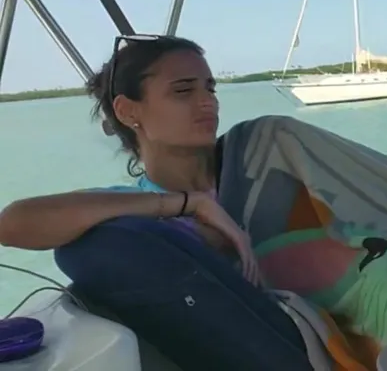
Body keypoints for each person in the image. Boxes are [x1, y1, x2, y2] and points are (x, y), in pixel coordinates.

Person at [0, 34, 314, 370]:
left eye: (210, 88)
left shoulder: (262, 163)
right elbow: (12, 224)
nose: (208, 102)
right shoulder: (133, 210)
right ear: (127, 111)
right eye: (183, 91)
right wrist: (188, 204)